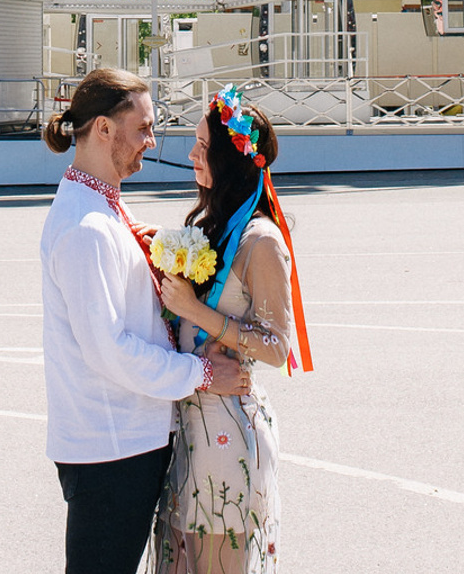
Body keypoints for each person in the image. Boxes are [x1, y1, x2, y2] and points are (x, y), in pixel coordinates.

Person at [41, 67, 253, 574]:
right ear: (104, 129)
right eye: (143, 129)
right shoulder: (86, 228)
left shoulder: (101, 206)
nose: (152, 142)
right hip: (110, 448)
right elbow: (109, 349)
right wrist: (201, 374)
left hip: (127, 438)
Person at [155, 88, 315, 572]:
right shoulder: (217, 227)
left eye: (203, 148)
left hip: (228, 437)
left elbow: (275, 346)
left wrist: (194, 310)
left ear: (228, 159)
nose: (191, 156)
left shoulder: (260, 241)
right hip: (190, 431)